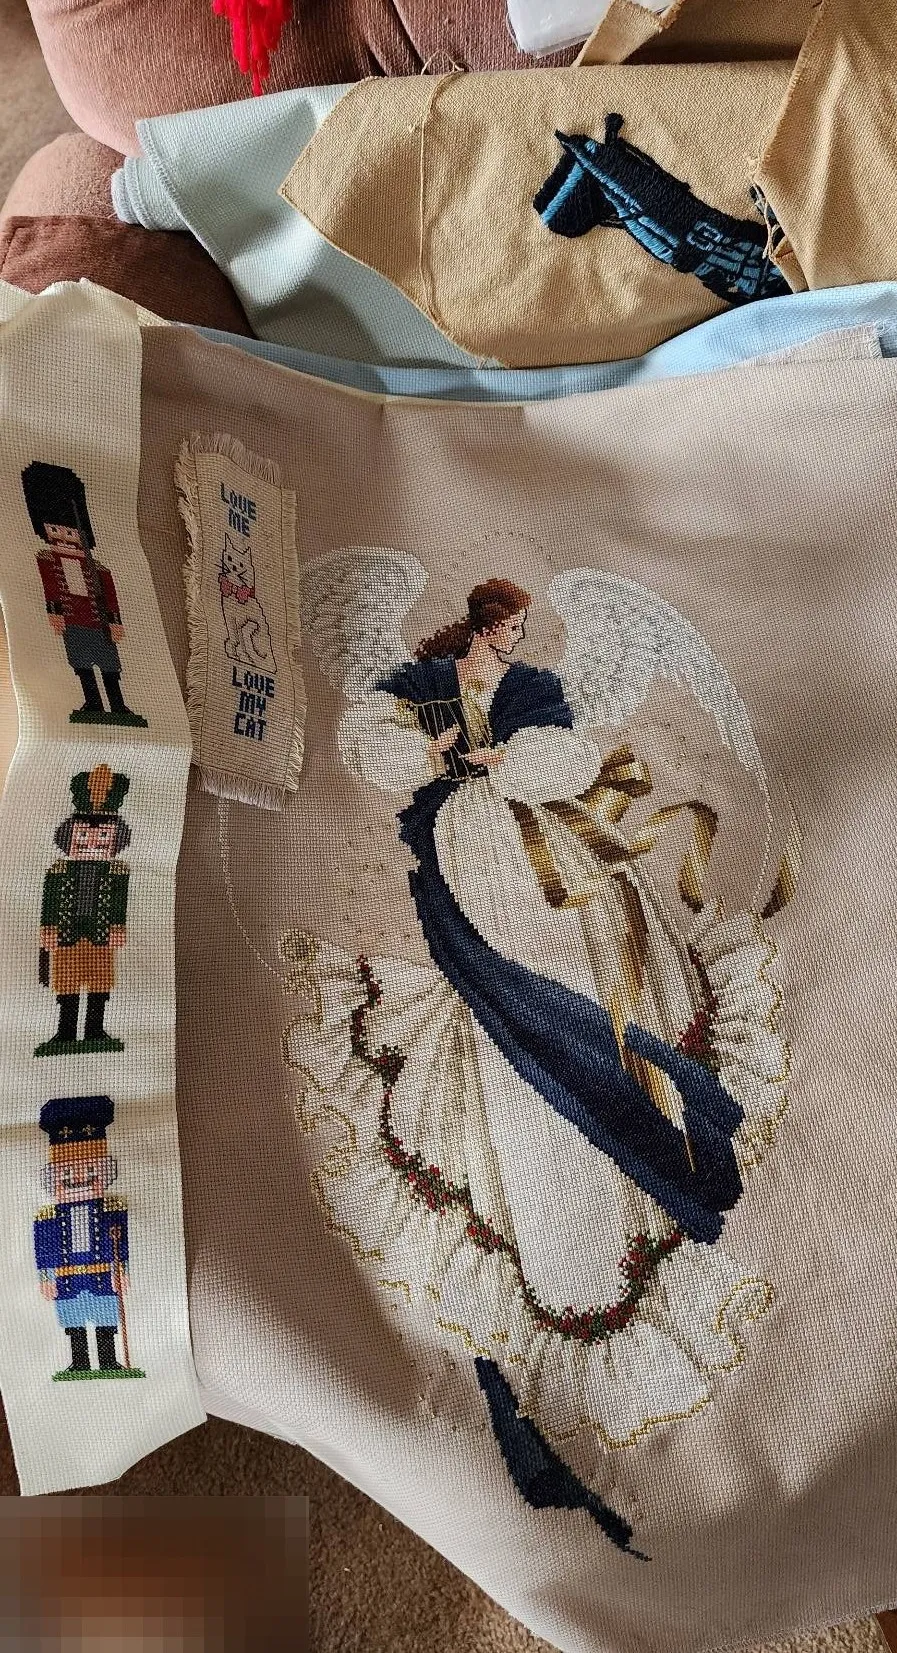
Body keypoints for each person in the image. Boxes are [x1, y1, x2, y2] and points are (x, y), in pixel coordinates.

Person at [21, 460, 147, 727]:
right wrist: (55, 613)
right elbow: (50, 588)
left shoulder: (97, 568)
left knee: (109, 665)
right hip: (73, 623)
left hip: (98, 623)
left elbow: (110, 595)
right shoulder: (47, 560)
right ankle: (93, 702)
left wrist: (114, 621)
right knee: (82, 664)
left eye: (70, 531)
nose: (63, 536)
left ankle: (117, 703)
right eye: (55, 530)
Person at [34, 1094, 141, 1379]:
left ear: (104, 1173)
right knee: (74, 1321)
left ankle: (109, 1361)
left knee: (106, 1318)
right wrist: (46, 1278)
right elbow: (44, 1250)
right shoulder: (48, 1217)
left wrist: (122, 1270)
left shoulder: (112, 1210)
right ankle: (79, 1363)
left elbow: (122, 1244)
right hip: (66, 1279)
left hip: (102, 1275)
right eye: (67, 1173)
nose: (79, 1180)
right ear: (53, 1178)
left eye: (90, 1171)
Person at [35, 764, 130, 1056]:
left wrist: (117, 927)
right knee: (67, 983)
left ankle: (95, 1030)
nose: (93, 843)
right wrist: (48, 928)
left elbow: (118, 902)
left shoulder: (116, 872)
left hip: (100, 936)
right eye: (83, 836)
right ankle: (65, 1033)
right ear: (68, 840)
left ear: (115, 842)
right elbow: (50, 901)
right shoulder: (59, 871)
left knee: (100, 982)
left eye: (103, 837)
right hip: (67, 936)